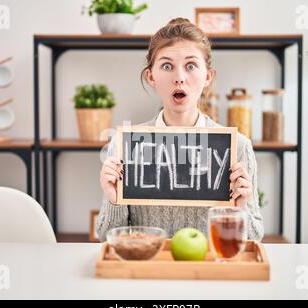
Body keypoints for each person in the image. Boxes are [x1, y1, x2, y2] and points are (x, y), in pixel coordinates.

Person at [97, 18, 264, 242]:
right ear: (151, 76)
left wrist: (237, 211)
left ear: (208, 76)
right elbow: (106, 240)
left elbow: (253, 240)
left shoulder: (239, 148)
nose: (179, 78)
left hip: (209, 273)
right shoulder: (123, 146)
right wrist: (114, 200)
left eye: (191, 66)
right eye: (167, 66)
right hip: (149, 271)